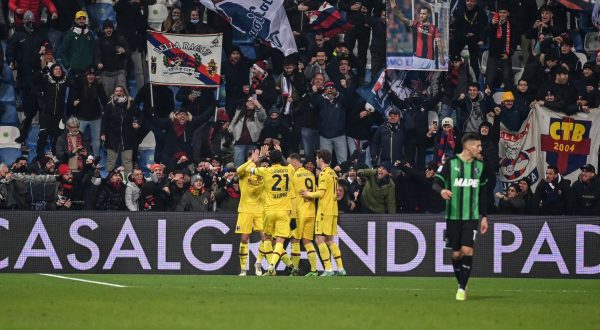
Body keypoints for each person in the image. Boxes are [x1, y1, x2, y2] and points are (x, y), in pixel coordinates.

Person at [432, 133, 489, 301]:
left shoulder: (481, 167)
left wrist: (484, 216)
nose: (480, 149)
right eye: (477, 146)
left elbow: (484, 193)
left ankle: (462, 289)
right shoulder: (450, 163)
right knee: (456, 254)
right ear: (468, 147)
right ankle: (461, 283)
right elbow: (436, 182)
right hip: (453, 215)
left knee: (467, 250)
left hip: (471, 216)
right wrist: (442, 191)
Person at [249, 146, 296, 276]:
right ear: (281, 158)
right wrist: (280, 153)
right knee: (280, 240)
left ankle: (271, 267)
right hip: (284, 210)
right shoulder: (289, 169)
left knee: (267, 238)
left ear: (270, 159)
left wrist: (261, 157)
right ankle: (271, 266)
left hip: (269, 210)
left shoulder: (265, 171)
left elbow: (249, 169)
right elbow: (288, 164)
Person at [300, 149, 346, 276]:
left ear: (321, 160)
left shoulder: (324, 173)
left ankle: (328, 269)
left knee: (319, 239)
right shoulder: (333, 173)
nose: (315, 160)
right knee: (329, 240)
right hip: (333, 210)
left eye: (316, 158)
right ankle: (341, 269)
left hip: (324, 211)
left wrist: (307, 194)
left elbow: (321, 193)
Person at [235, 150, 267, 276]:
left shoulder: (263, 173)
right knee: (244, 238)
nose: (254, 159)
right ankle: (243, 269)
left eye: (256, 157)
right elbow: (238, 171)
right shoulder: (244, 173)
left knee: (265, 238)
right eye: (251, 157)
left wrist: (261, 158)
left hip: (260, 209)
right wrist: (251, 161)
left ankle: (258, 263)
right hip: (245, 209)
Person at [288, 153, 319, 276]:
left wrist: (292, 216)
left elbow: (291, 196)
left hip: (299, 213)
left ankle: (295, 269)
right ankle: (314, 270)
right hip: (311, 211)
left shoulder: (294, 176)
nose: (289, 166)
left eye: (290, 164)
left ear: (295, 163)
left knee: (295, 240)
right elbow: (315, 190)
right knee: (307, 242)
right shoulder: (311, 174)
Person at [391, 2, 446, 69]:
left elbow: (439, 43)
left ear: (428, 15)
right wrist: (394, 8)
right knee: (417, 79)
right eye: (420, 13)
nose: (421, 15)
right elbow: (402, 18)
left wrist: (442, 57)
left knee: (430, 78)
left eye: (424, 14)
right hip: (418, 59)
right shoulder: (415, 24)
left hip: (430, 60)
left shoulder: (434, 28)